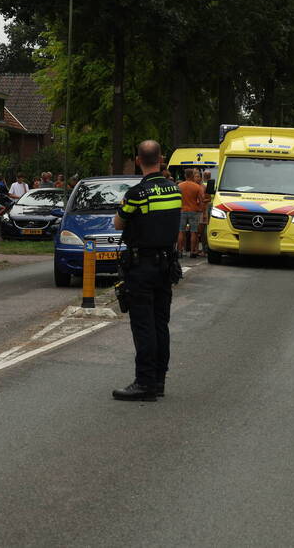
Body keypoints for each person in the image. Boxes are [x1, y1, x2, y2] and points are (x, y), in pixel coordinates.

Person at [112, 140, 182, 401]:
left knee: (143, 325)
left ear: (138, 161)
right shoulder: (174, 190)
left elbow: (118, 223)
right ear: (161, 159)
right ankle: (159, 380)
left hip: (142, 266)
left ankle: (144, 383)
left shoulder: (137, 194)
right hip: (166, 265)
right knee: (160, 324)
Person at [177, 168, 206, 258]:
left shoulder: (179, 186)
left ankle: (179, 251)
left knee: (181, 231)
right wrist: (202, 210)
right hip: (194, 211)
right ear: (192, 176)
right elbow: (201, 200)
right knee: (194, 232)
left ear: (185, 175)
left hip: (182, 210)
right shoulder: (197, 187)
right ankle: (193, 252)